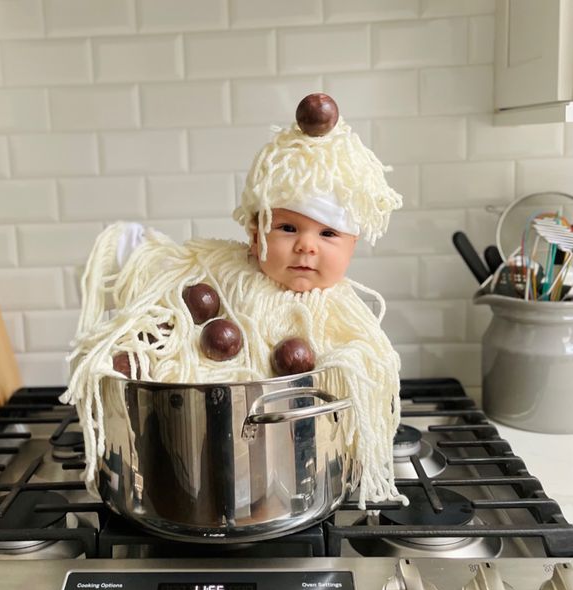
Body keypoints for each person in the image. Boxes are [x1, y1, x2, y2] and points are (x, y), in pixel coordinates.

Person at [64, 92, 406, 508]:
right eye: (286, 227)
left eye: (328, 233)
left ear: (354, 244)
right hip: (193, 451)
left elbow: (364, 368)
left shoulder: (344, 315)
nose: (306, 247)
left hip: (293, 472)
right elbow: (162, 275)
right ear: (254, 232)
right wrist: (131, 253)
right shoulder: (221, 271)